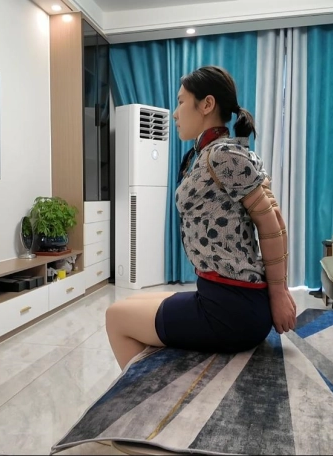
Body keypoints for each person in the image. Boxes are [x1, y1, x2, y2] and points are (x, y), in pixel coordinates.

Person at [105, 66, 298, 370]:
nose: (175, 113)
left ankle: (152, 395)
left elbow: (272, 223)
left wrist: (280, 293)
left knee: (115, 318)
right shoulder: (219, 152)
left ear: (207, 104)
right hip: (227, 298)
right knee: (129, 304)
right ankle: (166, 382)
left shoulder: (222, 155)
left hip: (231, 309)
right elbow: (274, 216)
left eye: (181, 102)